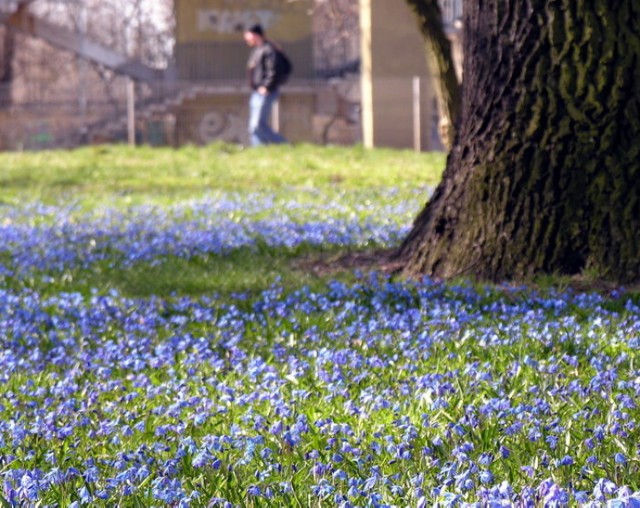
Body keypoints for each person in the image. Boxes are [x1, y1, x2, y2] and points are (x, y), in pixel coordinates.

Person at [243, 24, 288, 146]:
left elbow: (273, 70)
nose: (245, 38)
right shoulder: (258, 50)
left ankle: (284, 145)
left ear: (255, 34)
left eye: (247, 34)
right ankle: (259, 152)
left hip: (265, 91)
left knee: (257, 125)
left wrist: (266, 86)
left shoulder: (268, 50)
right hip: (257, 92)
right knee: (254, 127)